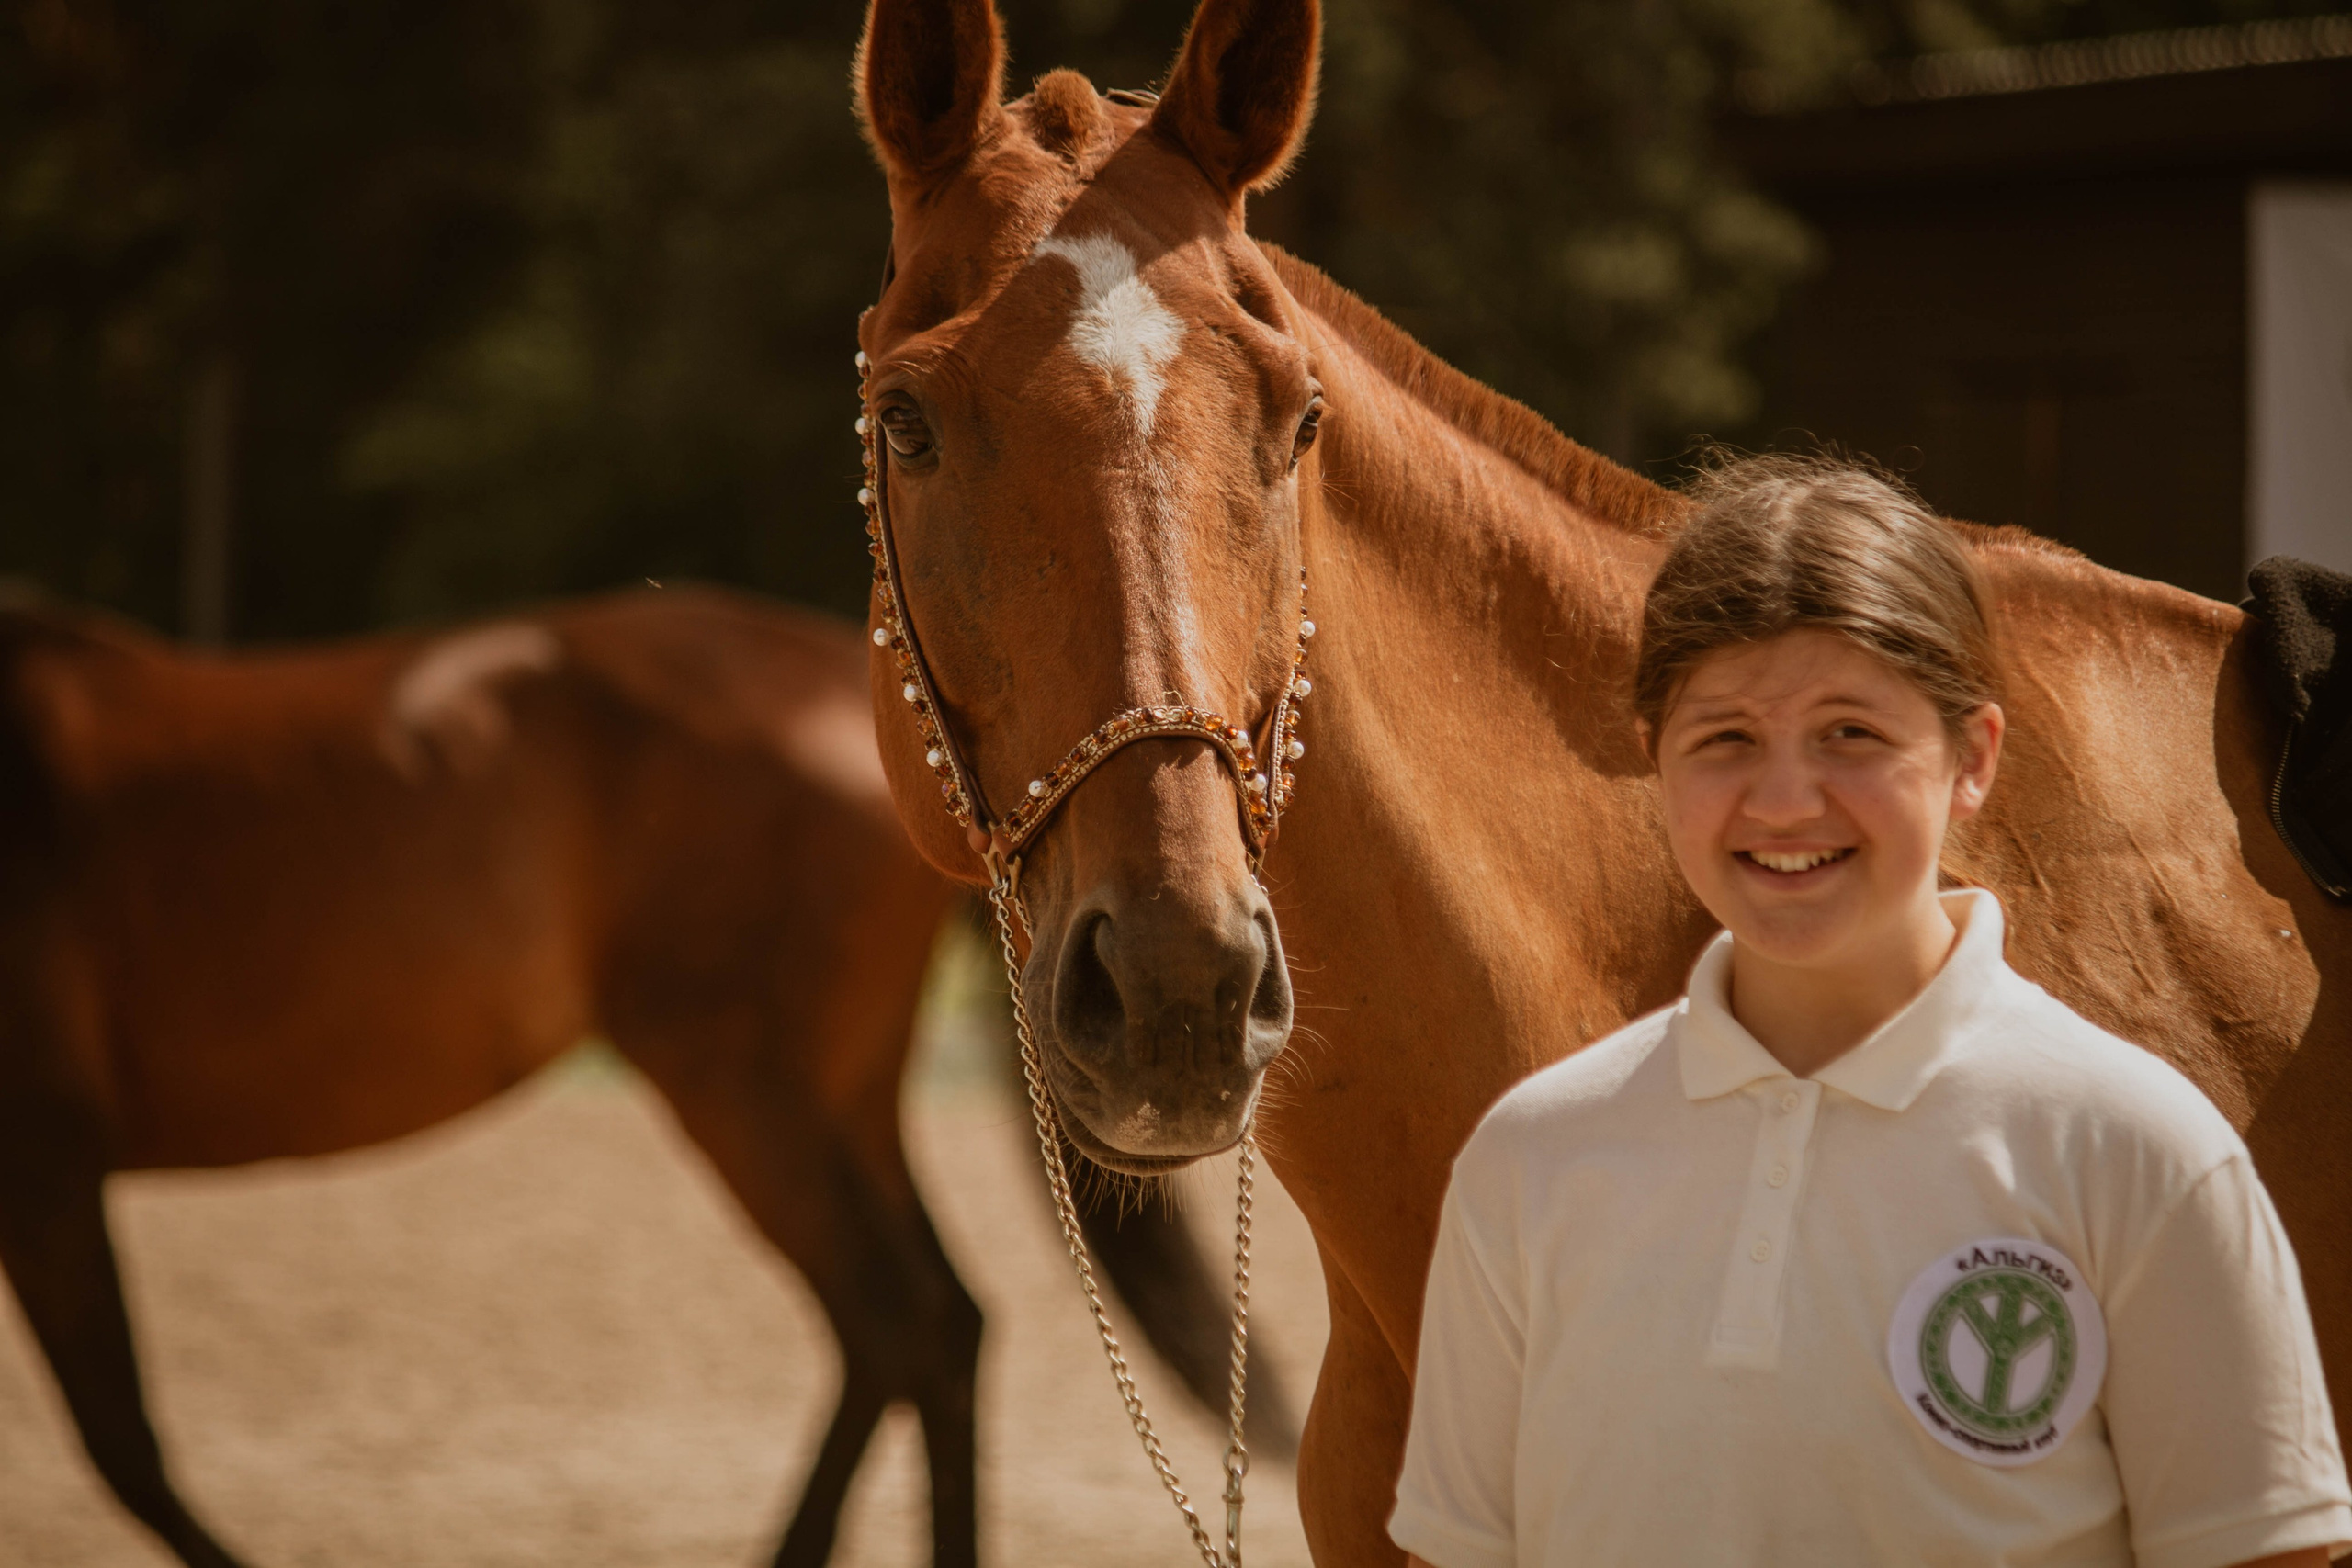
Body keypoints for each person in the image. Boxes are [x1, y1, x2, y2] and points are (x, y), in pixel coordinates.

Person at [1387, 456, 2352, 1568]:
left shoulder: (2137, 1151)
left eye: (1851, 733)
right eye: (1725, 739)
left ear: (1971, 758)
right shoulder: (1531, 1159)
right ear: (1651, 757)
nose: (1786, 799)